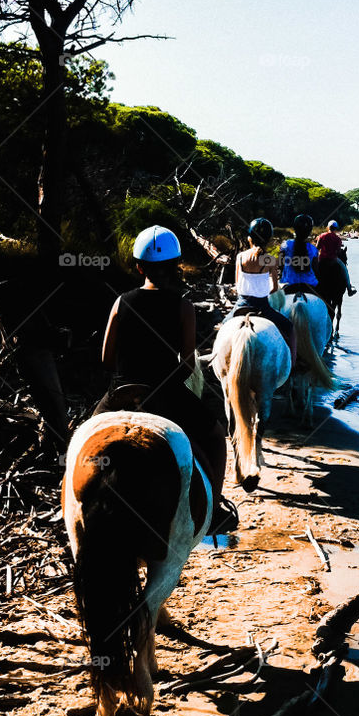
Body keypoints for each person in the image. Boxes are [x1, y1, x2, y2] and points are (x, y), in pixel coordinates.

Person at [98, 225, 237, 533]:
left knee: (82, 437)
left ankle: (68, 495)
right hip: (165, 394)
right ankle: (213, 510)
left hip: (121, 392)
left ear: (138, 266)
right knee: (215, 436)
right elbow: (187, 365)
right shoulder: (183, 307)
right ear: (175, 267)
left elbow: (106, 359)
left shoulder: (121, 302)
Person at [228, 217, 296, 364]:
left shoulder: (240, 257)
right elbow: (275, 288)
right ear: (268, 239)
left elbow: (237, 283)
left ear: (249, 238)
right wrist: (264, 291)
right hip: (262, 307)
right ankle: (292, 363)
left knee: (222, 328)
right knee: (290, 328)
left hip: (241, 306)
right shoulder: (271, 259)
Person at [279, 213, 321, 294]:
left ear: (295, 229)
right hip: (310, 286)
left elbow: (281, 265)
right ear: (310, 230)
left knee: (273, 304)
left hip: (288, 285)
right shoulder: (313, 249)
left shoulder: (286, 245)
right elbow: (316, 271)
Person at [315, 220, 356, 295]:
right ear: (336, 228)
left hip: (321, 260)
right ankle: (349, 289)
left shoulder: (321, 236)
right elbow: (338, 252)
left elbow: (316, 248)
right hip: (333, 260)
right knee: (345, 270)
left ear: (328, 227)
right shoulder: (337, 239)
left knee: (312, 269)